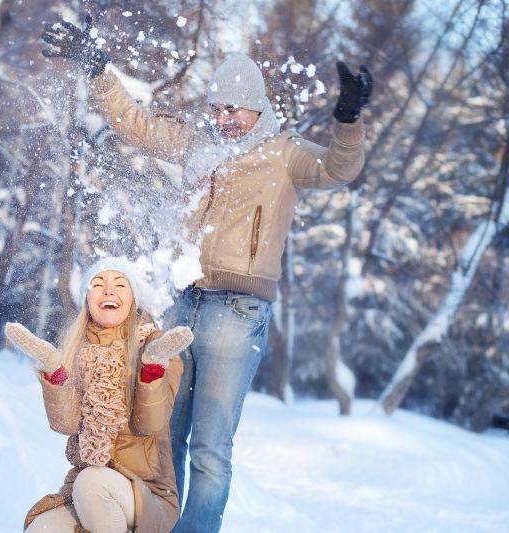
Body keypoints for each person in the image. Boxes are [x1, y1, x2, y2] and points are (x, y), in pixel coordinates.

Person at [41, 16, 372, 533]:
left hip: (237, 311)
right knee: (160, 433)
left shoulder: (285, 154)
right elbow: (136, 122)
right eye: (217, 108)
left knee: (210, 448)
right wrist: (99, 70)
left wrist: (348, 118)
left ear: (257, 107)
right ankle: (153, 524)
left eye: (234, 109)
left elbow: (338, 169)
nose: (224, 118)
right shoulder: (198, 143)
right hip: (183, 302)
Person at [6, 258, 194, 533]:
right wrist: (54, 369)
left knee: (93, 483)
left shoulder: (155, 347)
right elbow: (66, 424)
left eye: (120, 284)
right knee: (42, 527)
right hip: (86, 489)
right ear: (87, 299)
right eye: (98, 284)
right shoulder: (76, 351)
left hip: (145, 492)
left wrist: (151, 370)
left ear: (133, 299)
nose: (108, 291)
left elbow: (150, 423)